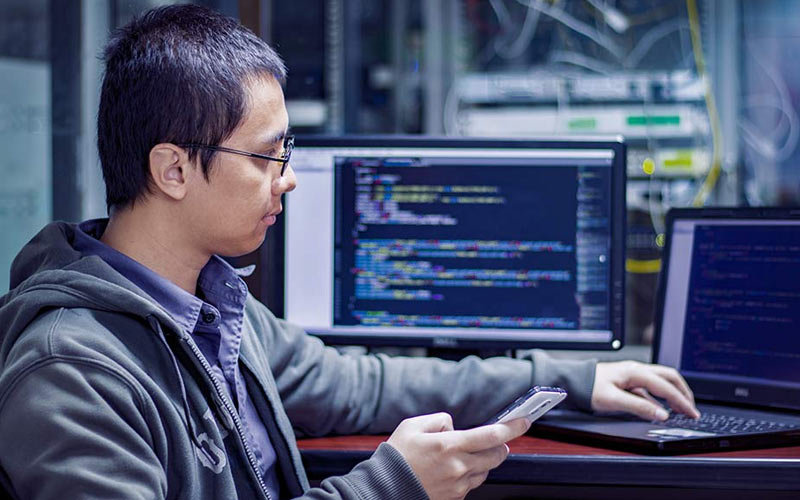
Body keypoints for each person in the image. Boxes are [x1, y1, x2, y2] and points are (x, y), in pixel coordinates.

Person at [0, 5, 698, 500]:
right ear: (173, 169)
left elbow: (363, 385)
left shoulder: (213, 309)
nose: (290, 177)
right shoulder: (71, 373)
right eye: (268, 156)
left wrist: (569, 378)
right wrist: (392, 484)